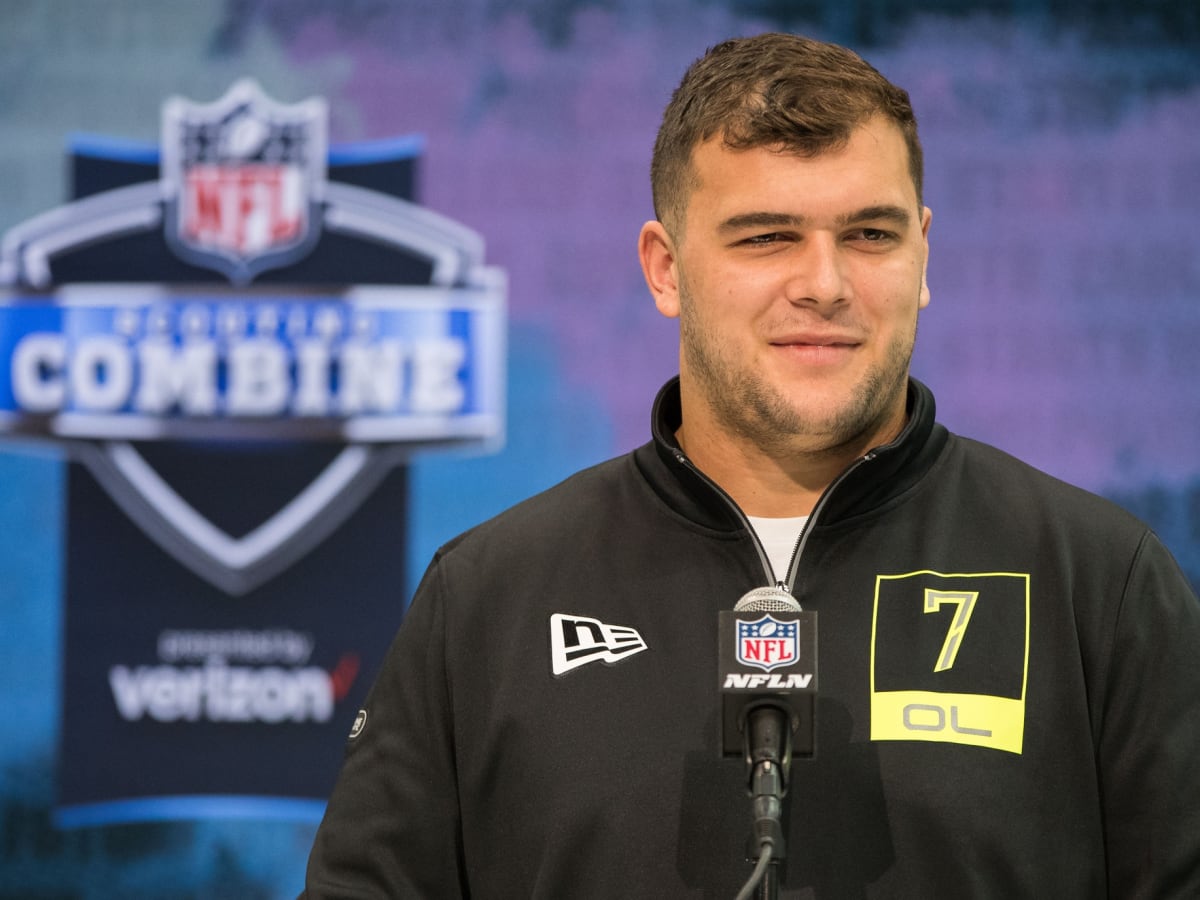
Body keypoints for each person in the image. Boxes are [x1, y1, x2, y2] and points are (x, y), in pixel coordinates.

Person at [302, 32, 1200, 898]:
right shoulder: (490, 597)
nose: (825, 283)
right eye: (767, 237)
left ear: (923, 253)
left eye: (871, 236)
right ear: (665, 269)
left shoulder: (1098, 585)